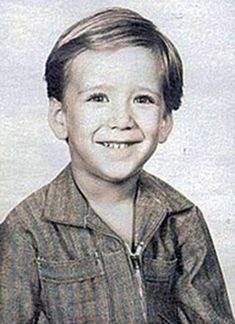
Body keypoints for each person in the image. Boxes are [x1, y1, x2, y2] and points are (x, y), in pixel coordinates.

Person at [0, 7, 233, 324]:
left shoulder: (182, 219)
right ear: (60, 118)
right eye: (98, 98)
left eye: (143, 99)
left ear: (165, 121)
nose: (122, 121)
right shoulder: (27, 229)